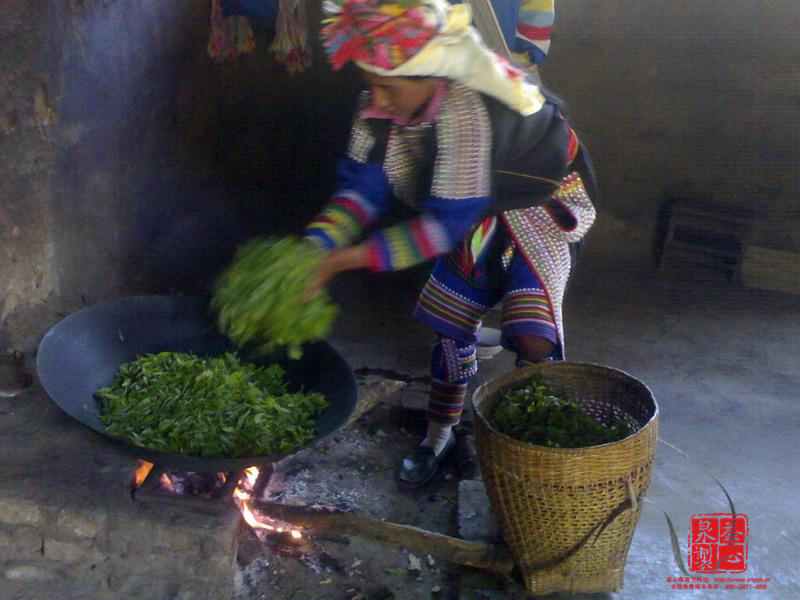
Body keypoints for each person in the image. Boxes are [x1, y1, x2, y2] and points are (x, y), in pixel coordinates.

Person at [302, 0, 596, 487]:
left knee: (534, 335)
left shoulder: (466, 113)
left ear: (431, 77)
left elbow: (440, 228)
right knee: (451, 323)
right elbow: (360, 187)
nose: (379, 98)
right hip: (470, 207)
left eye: (390, 88)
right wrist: (316, 246)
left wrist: (341, 261)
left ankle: (529, 455)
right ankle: (438, 434)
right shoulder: (378, 105)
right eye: (369, 84)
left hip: (536, 208)